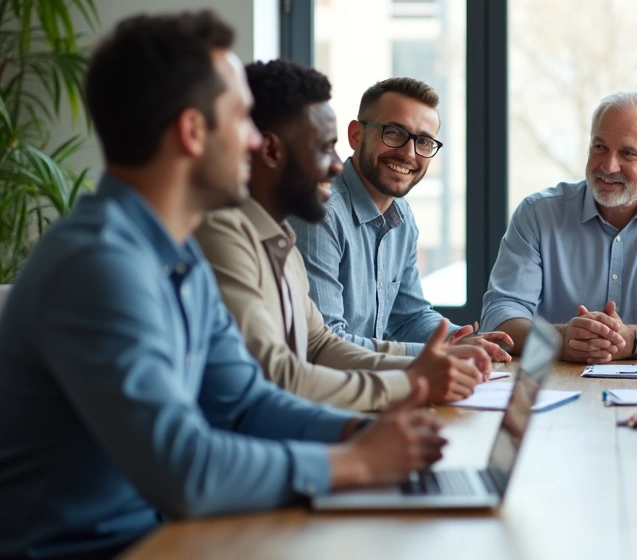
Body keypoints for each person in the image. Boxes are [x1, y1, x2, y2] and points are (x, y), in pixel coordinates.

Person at [0, 12, 452, 560]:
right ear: (192, 132)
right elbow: (184, 467)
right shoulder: (100, 265)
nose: (255, 138)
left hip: (169, 531)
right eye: (241, 118)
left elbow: (244, 401)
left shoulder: (177, 252)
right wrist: (355, 461)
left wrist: (361, 434)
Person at [194, 60, 490, 411]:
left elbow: (320, 343)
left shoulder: (281, 236)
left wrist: (447, 351)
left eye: (424, 142)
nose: (336, 165)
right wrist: (415, 377)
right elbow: (282, 375)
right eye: (323, 148)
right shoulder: (237, 231)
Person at [481, 90, 637, 362]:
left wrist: (633, 341)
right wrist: (562, 339)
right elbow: (500, 313)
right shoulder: (537, 213)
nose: (609, 165)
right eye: (600, 147)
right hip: (556, 379)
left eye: (628, 153)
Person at [290, 77, 511, 359]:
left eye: (423, 141)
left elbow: (409, 318)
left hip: (372, 388)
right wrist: (443, 352)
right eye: (394, 133)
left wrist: (466, 339)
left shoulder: (402, 217)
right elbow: (325, 345)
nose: (408, 154)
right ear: (356, 135)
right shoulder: (321, 213)